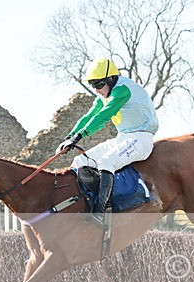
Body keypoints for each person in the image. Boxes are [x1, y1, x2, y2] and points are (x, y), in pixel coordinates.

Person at [56, 58, 159, 223]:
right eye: (93, 85)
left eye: (98, 84)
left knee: (106, 162)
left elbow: (103, 116)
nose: (96, 90)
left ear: (111, 79)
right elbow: (90, 115)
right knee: (80, 161)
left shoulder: (122, 91)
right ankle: (83, 205)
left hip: (141, 138)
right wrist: (70, 136)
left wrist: (79, 137)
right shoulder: (106, 95)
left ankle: (100, 212)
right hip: (123, 138)